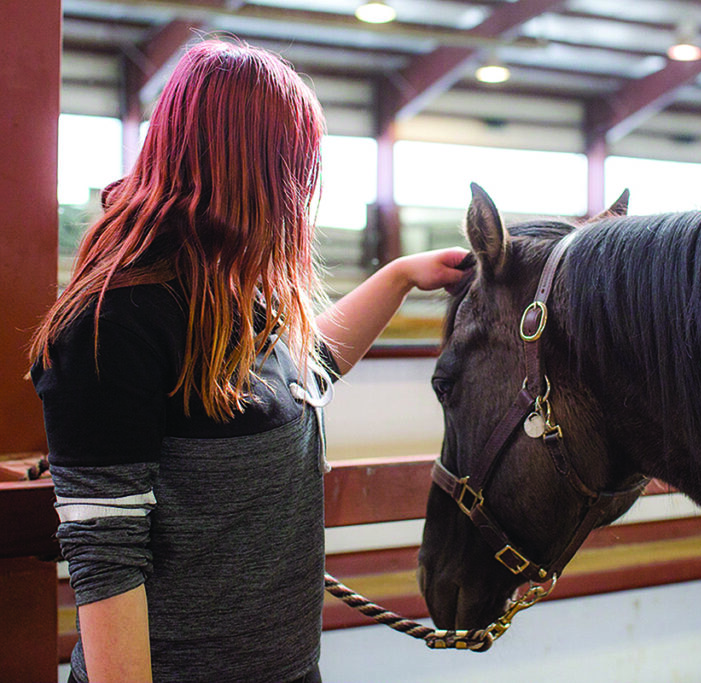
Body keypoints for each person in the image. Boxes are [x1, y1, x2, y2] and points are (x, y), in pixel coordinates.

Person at [29, 40, 467, 683]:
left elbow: (303, 370)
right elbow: (106, 557)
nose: (305, 194)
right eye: (297, 169)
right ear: (253, 172)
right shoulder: (114, 324)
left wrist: (402, 276)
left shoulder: (234, 297)